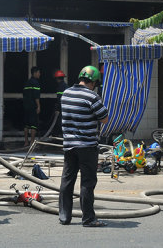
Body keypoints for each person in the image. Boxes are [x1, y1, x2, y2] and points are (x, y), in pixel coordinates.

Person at [58, 65, 109, 227]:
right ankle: (88, 218)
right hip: (87, 146)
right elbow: (104, 118)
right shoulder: (92, 97)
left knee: (67, 181)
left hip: (69, 145)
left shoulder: (66, 94)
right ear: (93, 82)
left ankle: (64, 217)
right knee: (87, 182)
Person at [23, 66, 41, 146]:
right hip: (33, 106)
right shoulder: (36, 83)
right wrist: (38, 106)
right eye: (38, 72)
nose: (39, 74)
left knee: (26, 124)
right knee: (33, 125)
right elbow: (36, 96)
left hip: (26, 106)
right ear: (35, 73)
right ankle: (32, 142)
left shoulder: (27, 82)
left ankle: (26, 142)